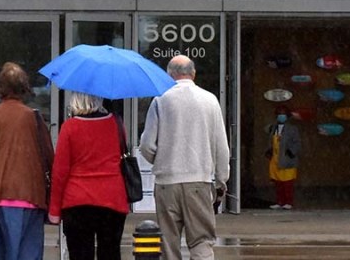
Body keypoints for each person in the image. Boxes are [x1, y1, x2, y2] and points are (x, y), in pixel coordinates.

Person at [139, 55, 230, 260]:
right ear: (193, 73)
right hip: (199, 181)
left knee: (169, 243)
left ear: (170, 74)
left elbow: (146, 145)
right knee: (201, 241)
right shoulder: (210, 100)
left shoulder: (160, 100)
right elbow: (221, 146)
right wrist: (221, 180)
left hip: (167, 182)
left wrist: (161, 159)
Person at [0, 62, 54, 260]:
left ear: (0, 88)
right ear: (24, 88)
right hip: (31, 197)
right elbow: (49, 158)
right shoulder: (34, 119)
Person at [48, 90, 129, 260]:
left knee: (80, 253)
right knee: (110, 252)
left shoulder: (69, 127)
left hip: (77, 200)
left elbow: (60, 171)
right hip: (112, 198)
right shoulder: (116, 124)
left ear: (76, 100)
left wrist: (54, 209)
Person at [265, 104, 301, 210]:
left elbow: (297, 143)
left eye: (283, 114)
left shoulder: (292, 129)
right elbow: (267, 134)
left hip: (287, 159)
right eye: (279, 114)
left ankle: (288, 202)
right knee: (278, 182)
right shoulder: (273, 128)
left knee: (288, 183)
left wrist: (291, 152)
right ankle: (279, 202)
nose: (281, 116)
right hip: (275, 159)